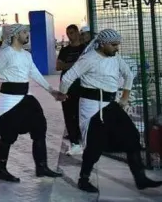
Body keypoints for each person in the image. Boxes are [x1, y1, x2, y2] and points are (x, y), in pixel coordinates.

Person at [59, 28, 162, 193]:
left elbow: (128, 75)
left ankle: (140, 179)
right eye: (113, 45)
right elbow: (67, 78)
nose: (117, 48)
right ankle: (83, 180)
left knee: (132, 137)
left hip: (111, 105)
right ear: (103, 44)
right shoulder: (88, 59)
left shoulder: (115, 57)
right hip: (93, 108)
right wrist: (62, 94)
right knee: (94, 144)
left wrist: (125, 98)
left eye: (117, 44)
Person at [0, 24, 65, 182]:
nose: (27, 35)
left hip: (26, 97)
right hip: (9, 100)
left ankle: (41, 167)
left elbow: (34, 73)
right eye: (24, 32)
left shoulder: (26, 55)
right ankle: (1, 170)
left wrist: (51, 90)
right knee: (7, 136)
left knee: (39, 129)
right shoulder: (6, 53)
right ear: (15, 35)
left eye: (27, 32)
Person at [56, 24, 86, 155]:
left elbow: (88, 65)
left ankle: (83, 140)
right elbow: (58, 66)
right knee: (69, 115)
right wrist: (77, 65)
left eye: (72, 32)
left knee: (82, 114)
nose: (70, 35)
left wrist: (67, 65)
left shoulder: (85, 49)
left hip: (83, 87)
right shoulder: (64, 50)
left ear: (78, 33)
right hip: (67, 88)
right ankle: (74, 142)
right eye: (68, 33)